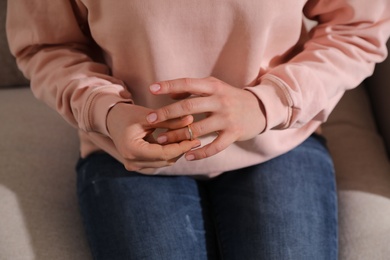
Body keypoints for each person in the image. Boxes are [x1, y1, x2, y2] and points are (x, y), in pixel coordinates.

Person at [6, 0, 390, 259]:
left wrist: (267, 103)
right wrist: (105, 111)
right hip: (128, 154)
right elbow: (45, 45)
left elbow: (360, 28)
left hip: (276, 143)